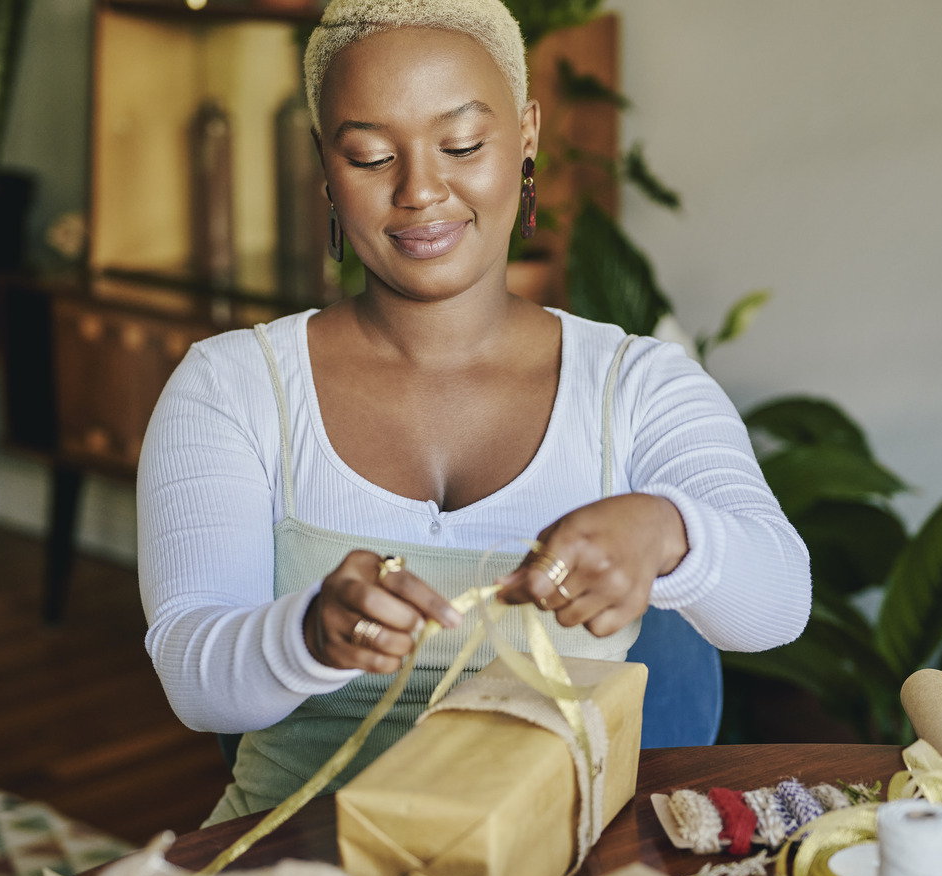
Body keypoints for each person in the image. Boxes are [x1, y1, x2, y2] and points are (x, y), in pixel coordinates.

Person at [136, 0, 811, 825]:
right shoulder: (231, 387)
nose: (420, 190)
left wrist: (668, 531)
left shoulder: (638, 386)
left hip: (566, 861)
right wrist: (308, 636)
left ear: (526, 134)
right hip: (303, 859)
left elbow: (778, 605)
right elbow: (195, 681)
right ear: (325, 165)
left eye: (461, 145)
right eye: (371, 155)